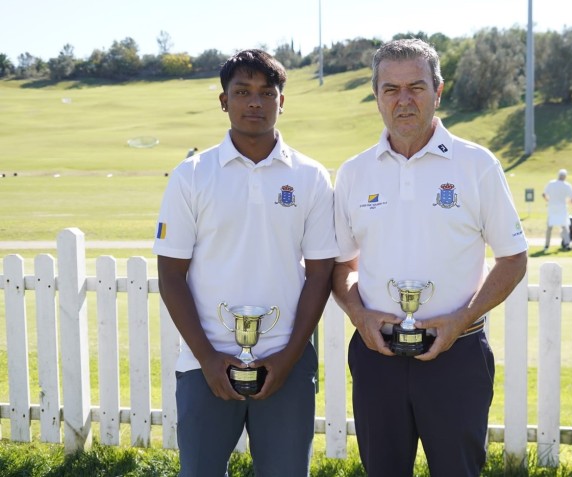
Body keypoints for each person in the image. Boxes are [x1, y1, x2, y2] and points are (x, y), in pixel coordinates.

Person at [332, 39, 528, 477]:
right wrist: (359, 314)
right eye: (391, 89)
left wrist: (463, 317)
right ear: (376, 94)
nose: (404, 100)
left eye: (416, 87)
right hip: (376, 353)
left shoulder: (477, 165)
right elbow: (342, 267)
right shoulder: (354, 172)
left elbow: (513, 258)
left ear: (438, 92)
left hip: (457, 354)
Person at [153, 49, 338, 477]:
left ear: (281, 101)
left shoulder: (309, 176)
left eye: (265, 92)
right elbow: (170, 275)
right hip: (205, 363)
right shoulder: (192, 175)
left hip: (285, 362)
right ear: (224, 101)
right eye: (242, 92)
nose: (254, 102)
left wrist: (291, 356)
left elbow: (321, 273)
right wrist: (207, 358)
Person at [542, 168, 572, 251]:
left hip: (552, 207)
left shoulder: (551, 183)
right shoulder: (567, 185)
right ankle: (567, 244)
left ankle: (546, 245)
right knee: (565, 227)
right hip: (562, 208)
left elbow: (544, 194)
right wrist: (568, 203)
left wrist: (549, 201)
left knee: (549, 228)